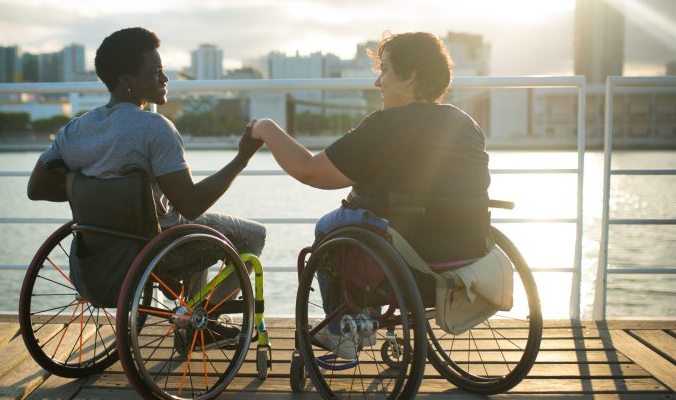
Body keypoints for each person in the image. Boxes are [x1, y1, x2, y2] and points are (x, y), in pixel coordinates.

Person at [249, 31, 490, 359]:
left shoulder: (387, 125)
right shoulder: (465, 123)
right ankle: (362, 316)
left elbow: (310, 171)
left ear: (410, 75)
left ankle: (341, 331)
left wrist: (265, 128)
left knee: (328, 226)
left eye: (385, 70)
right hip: (466, 256)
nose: (378, 82)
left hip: (409, 259)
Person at [27, 27, 266, 344]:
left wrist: (96, 196)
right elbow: (192, 203)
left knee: (191, 225)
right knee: (253, 235)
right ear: (127, 80)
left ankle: (192, 320)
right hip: (160, 250)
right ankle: (203, 321)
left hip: (104, 250)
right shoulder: (155, 128)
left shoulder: (75, 130)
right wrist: (243, 157)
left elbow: (37, 188)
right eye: (156, 72)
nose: (165, 79)